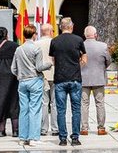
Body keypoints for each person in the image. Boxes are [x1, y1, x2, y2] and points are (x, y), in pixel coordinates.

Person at [48, 17, 85, 146]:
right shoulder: (78, 40)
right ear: (71, 26)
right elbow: (84, 59)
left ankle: (63, 138)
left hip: (60, 78)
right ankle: (75, 137)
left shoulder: (54, 41)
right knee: (76, 109)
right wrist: (76, 66)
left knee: (61, 110)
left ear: (60, 27)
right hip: (75, 79)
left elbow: (53, 60)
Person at [12, 25, 51, 147]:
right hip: (35, 80)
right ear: (34, 35)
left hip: (22, 81)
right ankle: (33, 138)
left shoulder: (18, 49)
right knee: (35, 109)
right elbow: (39, 67)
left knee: (23, 109)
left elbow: (13, 68)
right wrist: (49, 64)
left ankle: (23, 138)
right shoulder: (36, 49)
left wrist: (20, 75)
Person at [80, 25, 111, 136]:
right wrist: (101, 68)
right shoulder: (103, 46)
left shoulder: (80, 45)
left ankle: (84, 128)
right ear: (96, 35)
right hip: (98, 78)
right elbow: (108, 60)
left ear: (85, 35)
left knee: (84, 104)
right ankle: (101, 128)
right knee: (100, 103)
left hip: (83, 78)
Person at [37, 23, 56, 136]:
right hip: (54, 74)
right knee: (55, 103)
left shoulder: (36, 44)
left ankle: (43, 129)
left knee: (44, 103)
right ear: (50, 31)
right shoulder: (55, 42)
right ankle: (55, 128)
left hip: (41, 75)